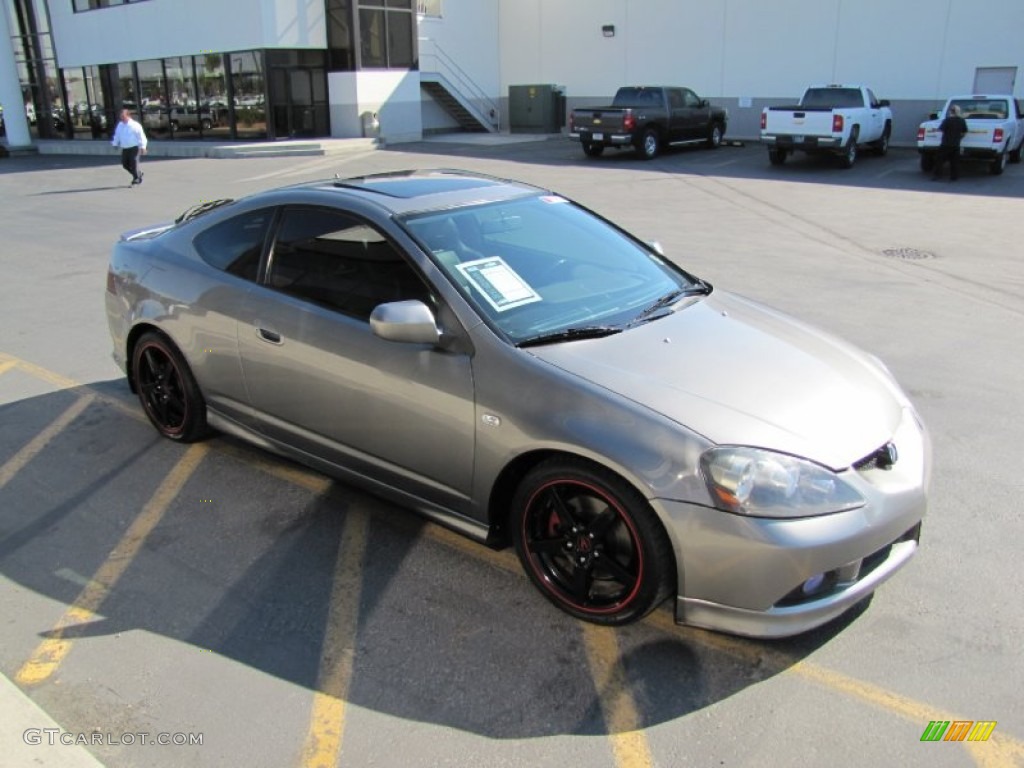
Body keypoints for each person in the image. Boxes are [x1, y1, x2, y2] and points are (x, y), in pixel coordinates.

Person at [111, 108, 148, 186]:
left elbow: (141, 136)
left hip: (134, 147)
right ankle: (138, 174)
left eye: (123, 116)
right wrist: (115, 143)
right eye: (121, 117)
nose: (122, 118)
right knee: (125, 165)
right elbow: (117, 135)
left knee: (133, 163)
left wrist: (143, 147)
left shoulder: (135, 125)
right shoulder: (120, 125)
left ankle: (136, 179)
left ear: (128, 116)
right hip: (125, 148)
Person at [933, 104, 967, 181]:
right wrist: (960, 137)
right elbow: (964, 132)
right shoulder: (962, 121)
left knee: (940, 160)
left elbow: (941, 129)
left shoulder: (947, 120)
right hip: (956, 144)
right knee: (954, 162)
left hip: (945, 144)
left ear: (951, 112)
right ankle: (954, 177)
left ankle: (937, 176)